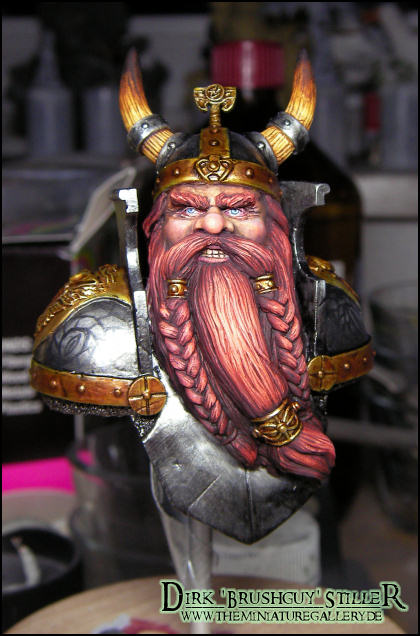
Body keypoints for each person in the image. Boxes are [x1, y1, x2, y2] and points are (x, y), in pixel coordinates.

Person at [30, 49, 373, 541]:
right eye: (188, 209)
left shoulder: (327, 308)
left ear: (276, 224)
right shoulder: (99, 320)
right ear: (156, 224)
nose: (213, 225)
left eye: (238, 208)